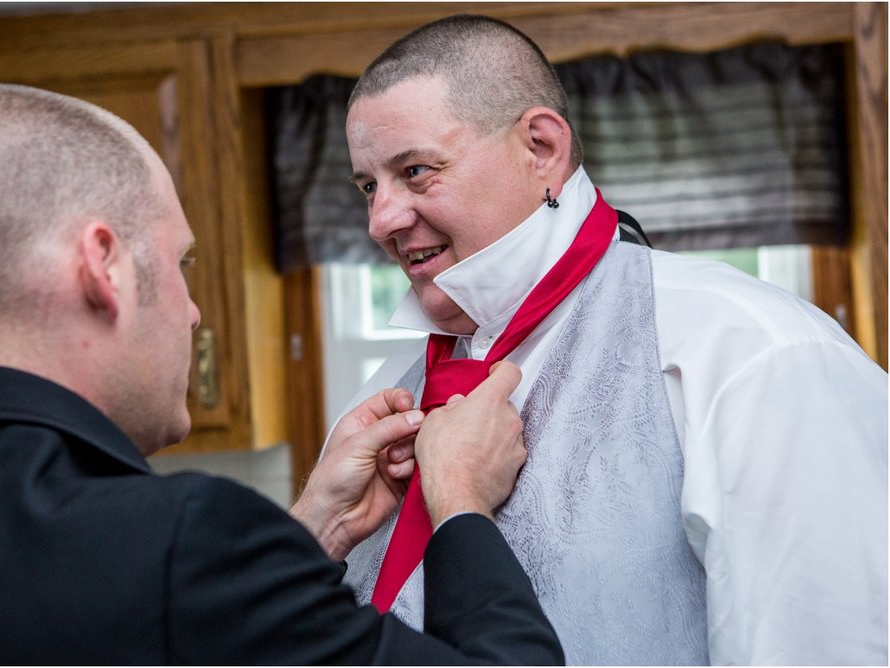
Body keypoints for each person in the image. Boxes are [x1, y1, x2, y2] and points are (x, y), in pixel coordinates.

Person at [0, 83, 566, 665]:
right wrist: (461, 502)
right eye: (181, 265)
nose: (192, 313)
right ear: (104, 266)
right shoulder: (186, 540)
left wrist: (308, 535)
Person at [336, 14, 888, 666]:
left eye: (418, 171)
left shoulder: (751, 355)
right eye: (370, 186)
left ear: (541, 147)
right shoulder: (379, 404)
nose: (381, 221)